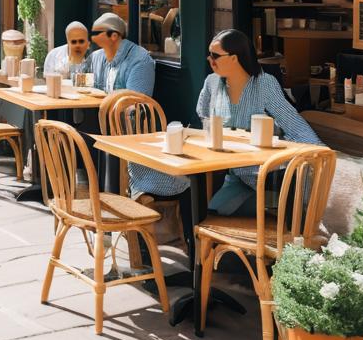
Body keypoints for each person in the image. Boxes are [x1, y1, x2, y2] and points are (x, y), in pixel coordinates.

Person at [127, 29, 324, 222]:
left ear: (235, 58)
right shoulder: (212, 82)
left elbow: (294, 125)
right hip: (227, 173)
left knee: (208, 211)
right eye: (209, 55)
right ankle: (197, 250)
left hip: (263, 176)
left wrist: (319, 154)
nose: (209, 60)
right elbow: (202, 114)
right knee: (196, 201)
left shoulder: (264, 84)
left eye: (215, 55)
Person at [88, 13, 155, 95]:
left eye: (96, 33)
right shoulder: (96, 56)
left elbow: (136, 100)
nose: (92, 37)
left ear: (114, 36)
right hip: (98, 106)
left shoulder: (140, 60)